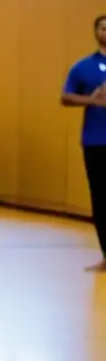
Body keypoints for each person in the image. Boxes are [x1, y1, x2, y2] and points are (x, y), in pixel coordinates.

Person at [61, 14, 106, 272]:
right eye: (102, 27)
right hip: (97, 141)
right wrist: (92, 101)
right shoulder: (83, 67)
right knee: (101, 200)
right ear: (95, 32)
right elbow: (65, 97)